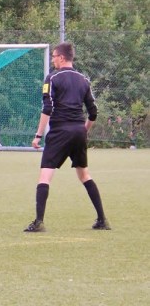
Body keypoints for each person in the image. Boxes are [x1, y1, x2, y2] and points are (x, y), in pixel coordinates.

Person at [24, 42, 109, 232]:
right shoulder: (84, 80)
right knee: (84, 175)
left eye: (54, 56)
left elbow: (47, 108)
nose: (52, 60)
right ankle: (102, 220)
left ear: (61, 58)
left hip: (60, 131)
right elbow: (93, 112)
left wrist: (38, 135)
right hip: (78, 131)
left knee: (45, 176)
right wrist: (84, 130)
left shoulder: (52, 78)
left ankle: (38, 222)